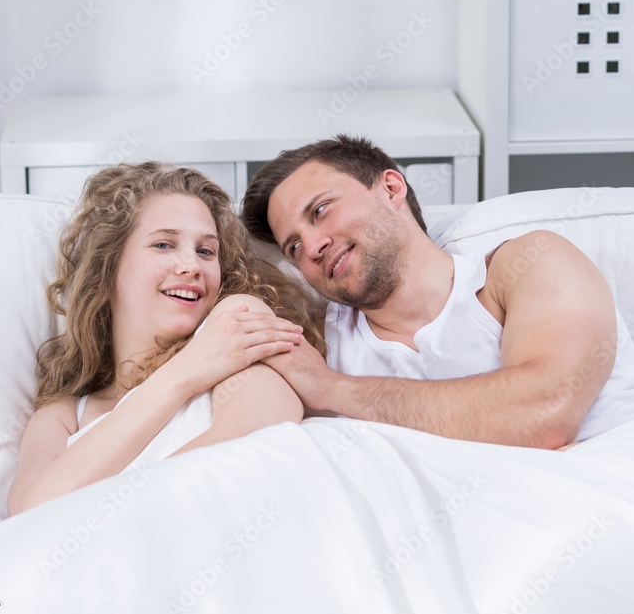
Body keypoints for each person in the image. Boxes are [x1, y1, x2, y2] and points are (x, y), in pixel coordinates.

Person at [241, 135, 634, 450]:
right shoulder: (318, 347)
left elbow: (543, 416)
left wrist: (333, 390)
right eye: (294, 247)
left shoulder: (528, 264)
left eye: (321, 210)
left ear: (391, 189)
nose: (312, 248)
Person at [8, 162, 325, 516]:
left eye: (206, 251)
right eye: (163, 244)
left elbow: (259, 437)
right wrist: (183, 374)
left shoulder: (234, 324)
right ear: (107, 267)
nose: (191, 265)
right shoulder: (63, 415)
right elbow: (29, 514)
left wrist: (99, 517)